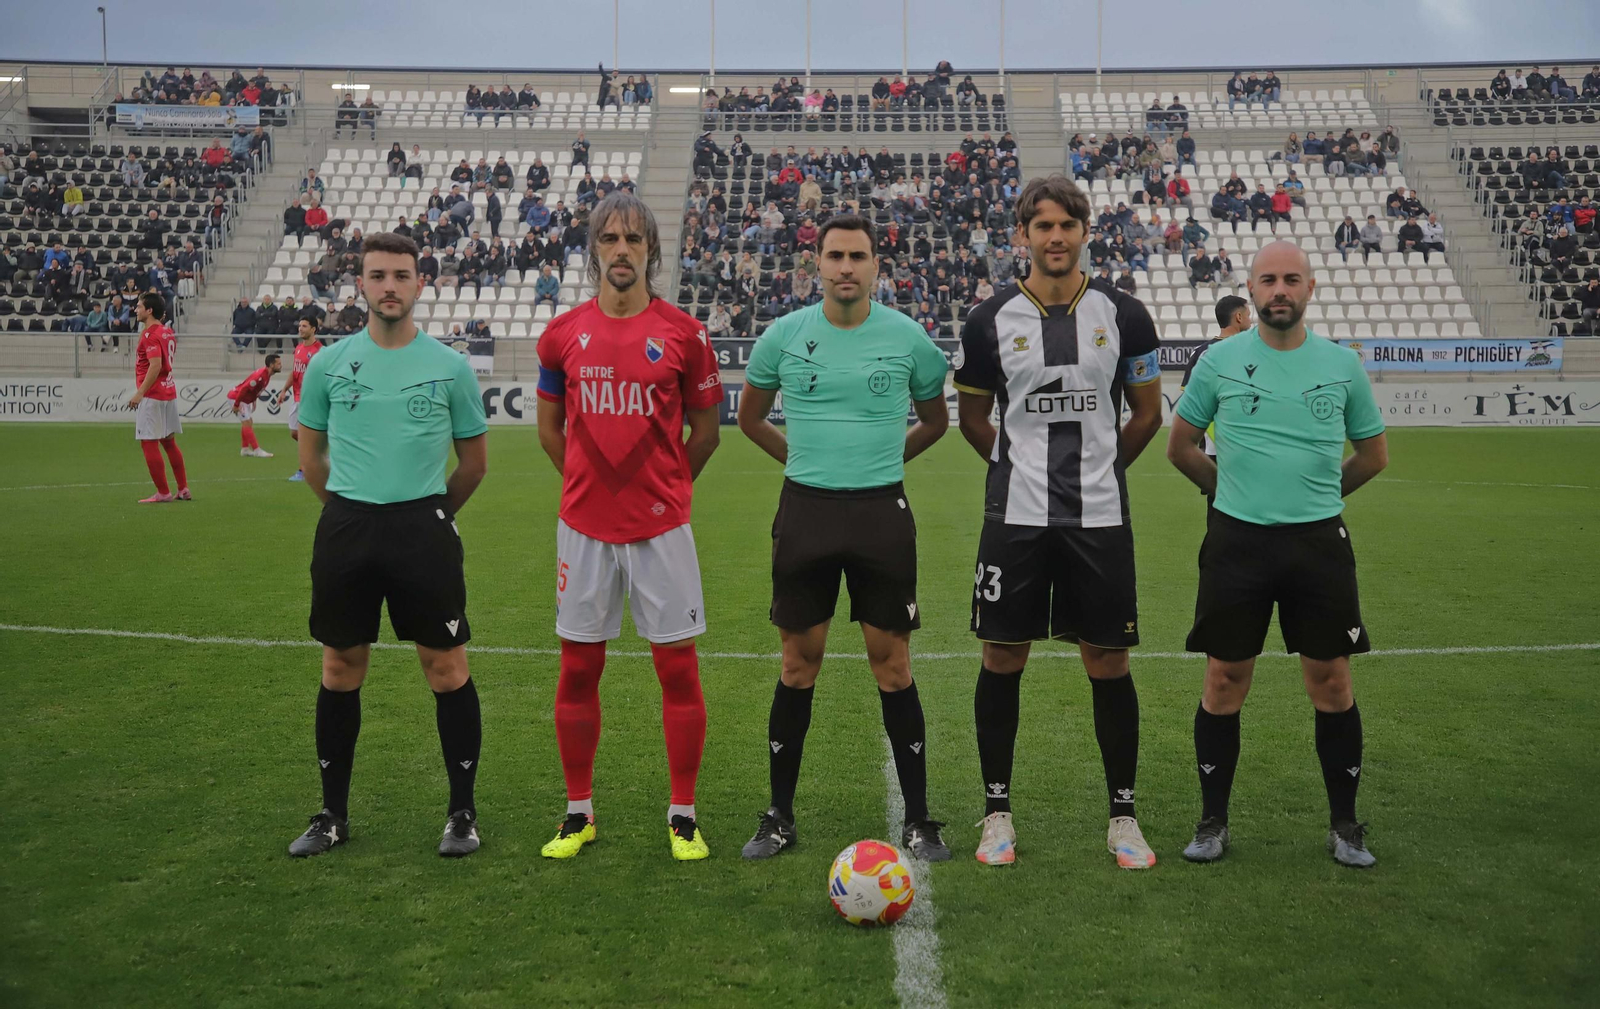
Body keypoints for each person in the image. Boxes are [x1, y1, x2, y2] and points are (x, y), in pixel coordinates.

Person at [950, 173, 1163, 869]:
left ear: (1084, 231)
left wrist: (1102, 468)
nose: (1055, 237)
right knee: (1002, 655)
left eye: (1067, 225)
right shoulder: (988, 321)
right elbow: (974, 418)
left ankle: (1124, 819)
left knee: (1107, 658)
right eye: (1042, 226)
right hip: (1014, 516)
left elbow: (1148, 412)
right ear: (1023, 235)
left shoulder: (1125, 314)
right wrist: (1014, 465)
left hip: (1099, 517)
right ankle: (996, 813)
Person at [736, 213, 952, 863]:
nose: (846, 267)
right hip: (806, 511)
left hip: (882, 514)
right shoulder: (781, 337)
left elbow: (937, 421)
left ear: (877, 266)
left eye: (858, 256)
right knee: (798, 664)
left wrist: (882, 462)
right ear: (817, 265)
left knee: (894, 666)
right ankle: (778, 814)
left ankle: (918, 818)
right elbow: (748, 418)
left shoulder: (910, 339)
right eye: (835, 256)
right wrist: (804, 465)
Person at [1166, 240, 1388, 870]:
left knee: (1332, 681)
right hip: (1237, 543)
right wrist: (1226, 493)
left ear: (1310, 288)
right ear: (1252, 289)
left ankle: (1345, 824)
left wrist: (1320, 499)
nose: (1279, 290)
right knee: (1223, 680)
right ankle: (1212, 821)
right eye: (1268, 280)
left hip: (1318, 545)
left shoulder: (1341, 365)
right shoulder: (1218, 361)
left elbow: (1373, 455)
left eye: (1292, 279)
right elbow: (1181, 445)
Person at [285, 232, 490, 859]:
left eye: (401, 275)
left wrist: (429, 515)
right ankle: (331, 815)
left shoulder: (450, 366)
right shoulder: (327, 363)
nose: (389, 287)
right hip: (347, 527)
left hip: (422, 530)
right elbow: (311, 457)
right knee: (340, 669)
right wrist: (351, 512)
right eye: (378, 276)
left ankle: (461, 813)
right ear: (361, 285)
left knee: (446, 668)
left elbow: (474, 463)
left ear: (419, 284)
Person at [533, 192, 723, 862]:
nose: (621, 250)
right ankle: (578, 811)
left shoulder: (685, 335)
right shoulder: (561, 336)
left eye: (634, 240)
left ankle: (682, 814)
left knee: (678, 667)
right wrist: (589, 484)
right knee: (578, 667)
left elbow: (705, 433)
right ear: (594, 250)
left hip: (661, 529)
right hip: (582, 528)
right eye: (610, 239)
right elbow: (550, 430)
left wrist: (665, 486)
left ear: (651, 252)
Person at [123, 293, 190, 504]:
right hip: (169, 392)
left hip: (152, 395)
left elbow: (156, 365)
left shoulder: (149, 335)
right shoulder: (167, 332)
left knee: (148, 442)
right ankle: (183, 488)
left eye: (139, 306)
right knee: (169, 441)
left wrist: (140, 392)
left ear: (149, 310)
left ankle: (163, 492)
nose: (136, 309)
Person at [1178, 294, 1253, 471]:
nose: (1250, 320)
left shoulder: (1200, 352)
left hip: (1211, 443)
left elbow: (1189, 398)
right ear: (1239, 317)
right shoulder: (1250, 350)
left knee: (1215, 494)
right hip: (1244, 443)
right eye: (1248, 315)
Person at [272, 315, 325, 481]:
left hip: (310, 399)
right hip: (296, 397)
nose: (300, 328)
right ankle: (319, 455)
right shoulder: (299, 349)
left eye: (304, 326)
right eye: (300, 326)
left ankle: (304, 470)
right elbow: (296, 372)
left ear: (313, 329)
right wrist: (284, 390)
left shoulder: (320, 351)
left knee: (304, 433)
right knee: (295, 433)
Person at [228, 353, 282, 458]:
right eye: (278, 363)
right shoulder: (260, 376)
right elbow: (244, 389)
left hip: (244, 400)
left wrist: (254, 400)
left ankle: (245, 449)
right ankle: (257, 450)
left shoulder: (267, 375)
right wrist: (236, 405)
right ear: (271, 365)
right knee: (247, 423)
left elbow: (254, 389)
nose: (281, 365)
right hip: (236, 398)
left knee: (248, 422)